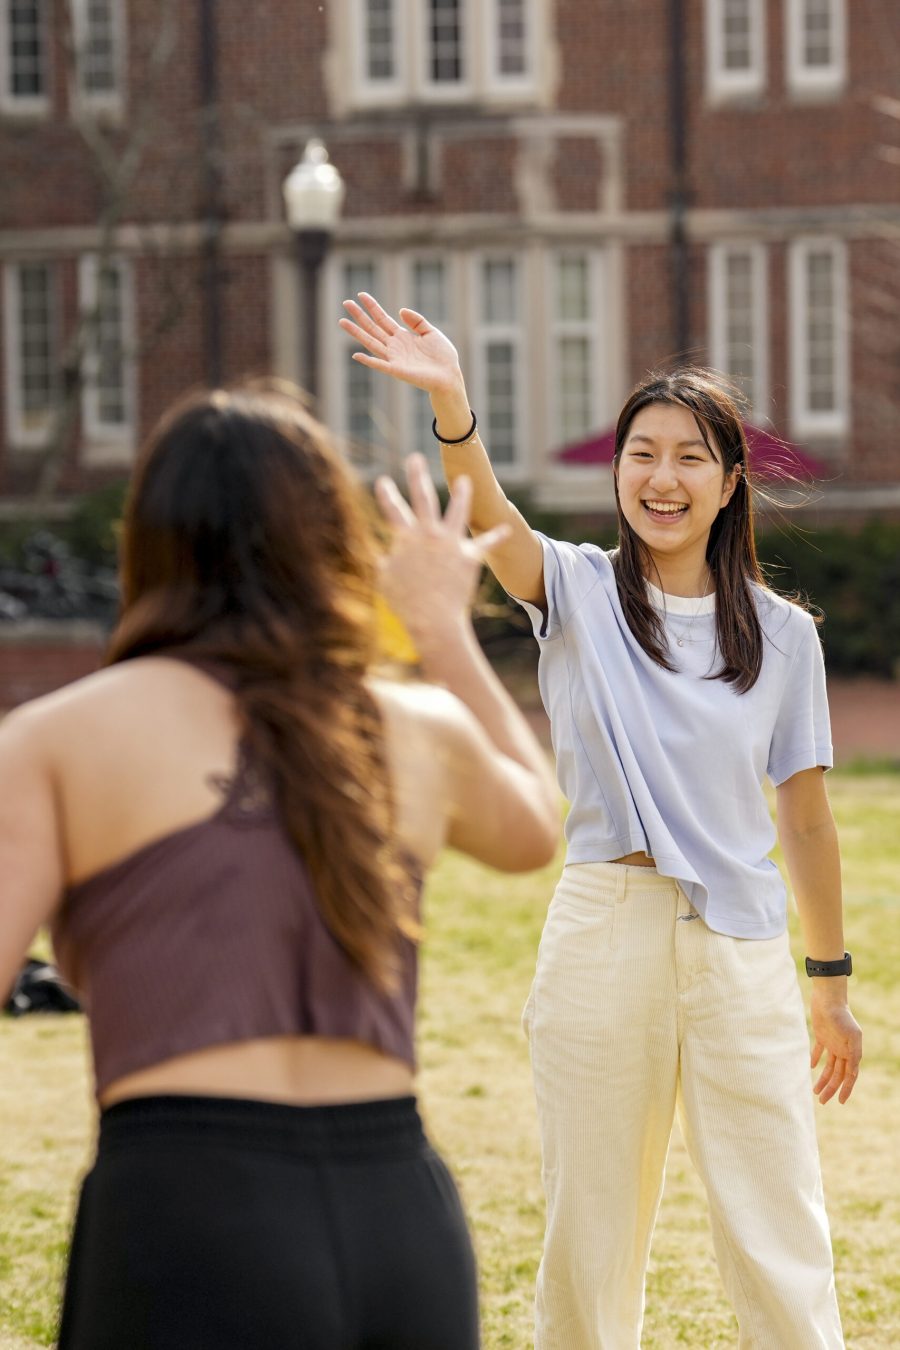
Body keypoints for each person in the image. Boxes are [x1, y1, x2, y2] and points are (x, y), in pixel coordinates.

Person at [340, 293, 863, 1349]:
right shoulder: (575, 589)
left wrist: (832, 985)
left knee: (778, 1235)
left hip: (742, 951)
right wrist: (452, 398)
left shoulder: (784, 637)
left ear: (728, 483)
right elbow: (485, 517)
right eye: (640, 454)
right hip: (602, 932)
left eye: (687, 459)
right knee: (589, 1238)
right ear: (617, 471)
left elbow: (804, 823)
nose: (660, 478)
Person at [0, 382, 560, 1350]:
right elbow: (535, 825)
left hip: (186, 1216)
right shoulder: (410, 727)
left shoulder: (57, 740)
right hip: (401, 1215)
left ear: (150, 543)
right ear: (332, 542)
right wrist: (440, 629)